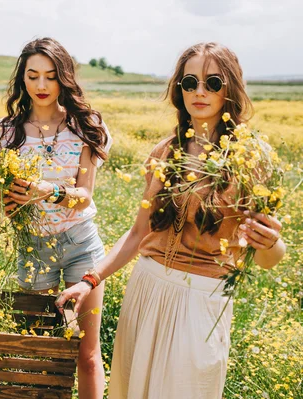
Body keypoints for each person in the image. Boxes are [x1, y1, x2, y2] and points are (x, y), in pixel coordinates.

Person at [56, 42, 286, 399]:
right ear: (179, 88)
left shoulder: (251, 159)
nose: (199, 91)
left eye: (212, 83)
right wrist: (90, 280)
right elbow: (138, 234)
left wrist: (271, 243)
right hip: (147, 290)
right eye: (189, 82)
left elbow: (269, 258)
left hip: (202, 299)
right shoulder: (164, 152)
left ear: (231, 89)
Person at [0, 37, 112, 399]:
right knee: (37, 350)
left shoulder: (86, 125)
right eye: (33, 76)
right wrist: (9, 202)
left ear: (64, 79)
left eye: (51, 77)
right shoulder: (3, 132)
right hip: (33, 247)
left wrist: (48, 191)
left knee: (86, 352)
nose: (41, 86)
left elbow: (84, 197)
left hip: (81, 244)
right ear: (22, 79)